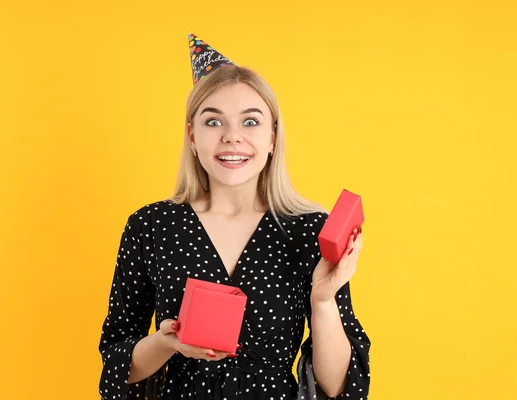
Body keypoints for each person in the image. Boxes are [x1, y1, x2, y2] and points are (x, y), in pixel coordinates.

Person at [98, 33, 371, 400]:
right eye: (213, 122)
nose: (232, 137)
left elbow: (339, 387)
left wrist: (323, 300)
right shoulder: (151, 226)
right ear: (192, 136)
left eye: (251, 122)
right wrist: (167, 343)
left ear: (273, 138)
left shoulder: (309, 230)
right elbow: (115, 364)